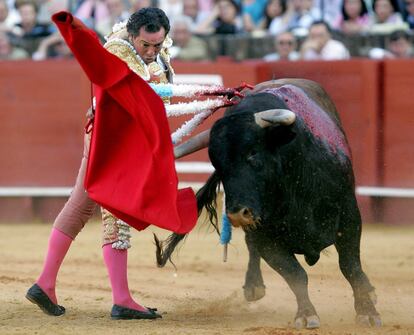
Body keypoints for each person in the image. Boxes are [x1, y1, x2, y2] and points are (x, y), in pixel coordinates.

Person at [25, 7, 197, 320]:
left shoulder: (160, 52)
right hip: (113, 140)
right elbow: (144, 94)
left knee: (79, 206)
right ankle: (121, 299)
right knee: (114, 212)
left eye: (157, 45)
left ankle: (45, 284)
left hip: (122, 138)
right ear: (133, 36)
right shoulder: (119, 51)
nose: (151, 51)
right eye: (145, 45)